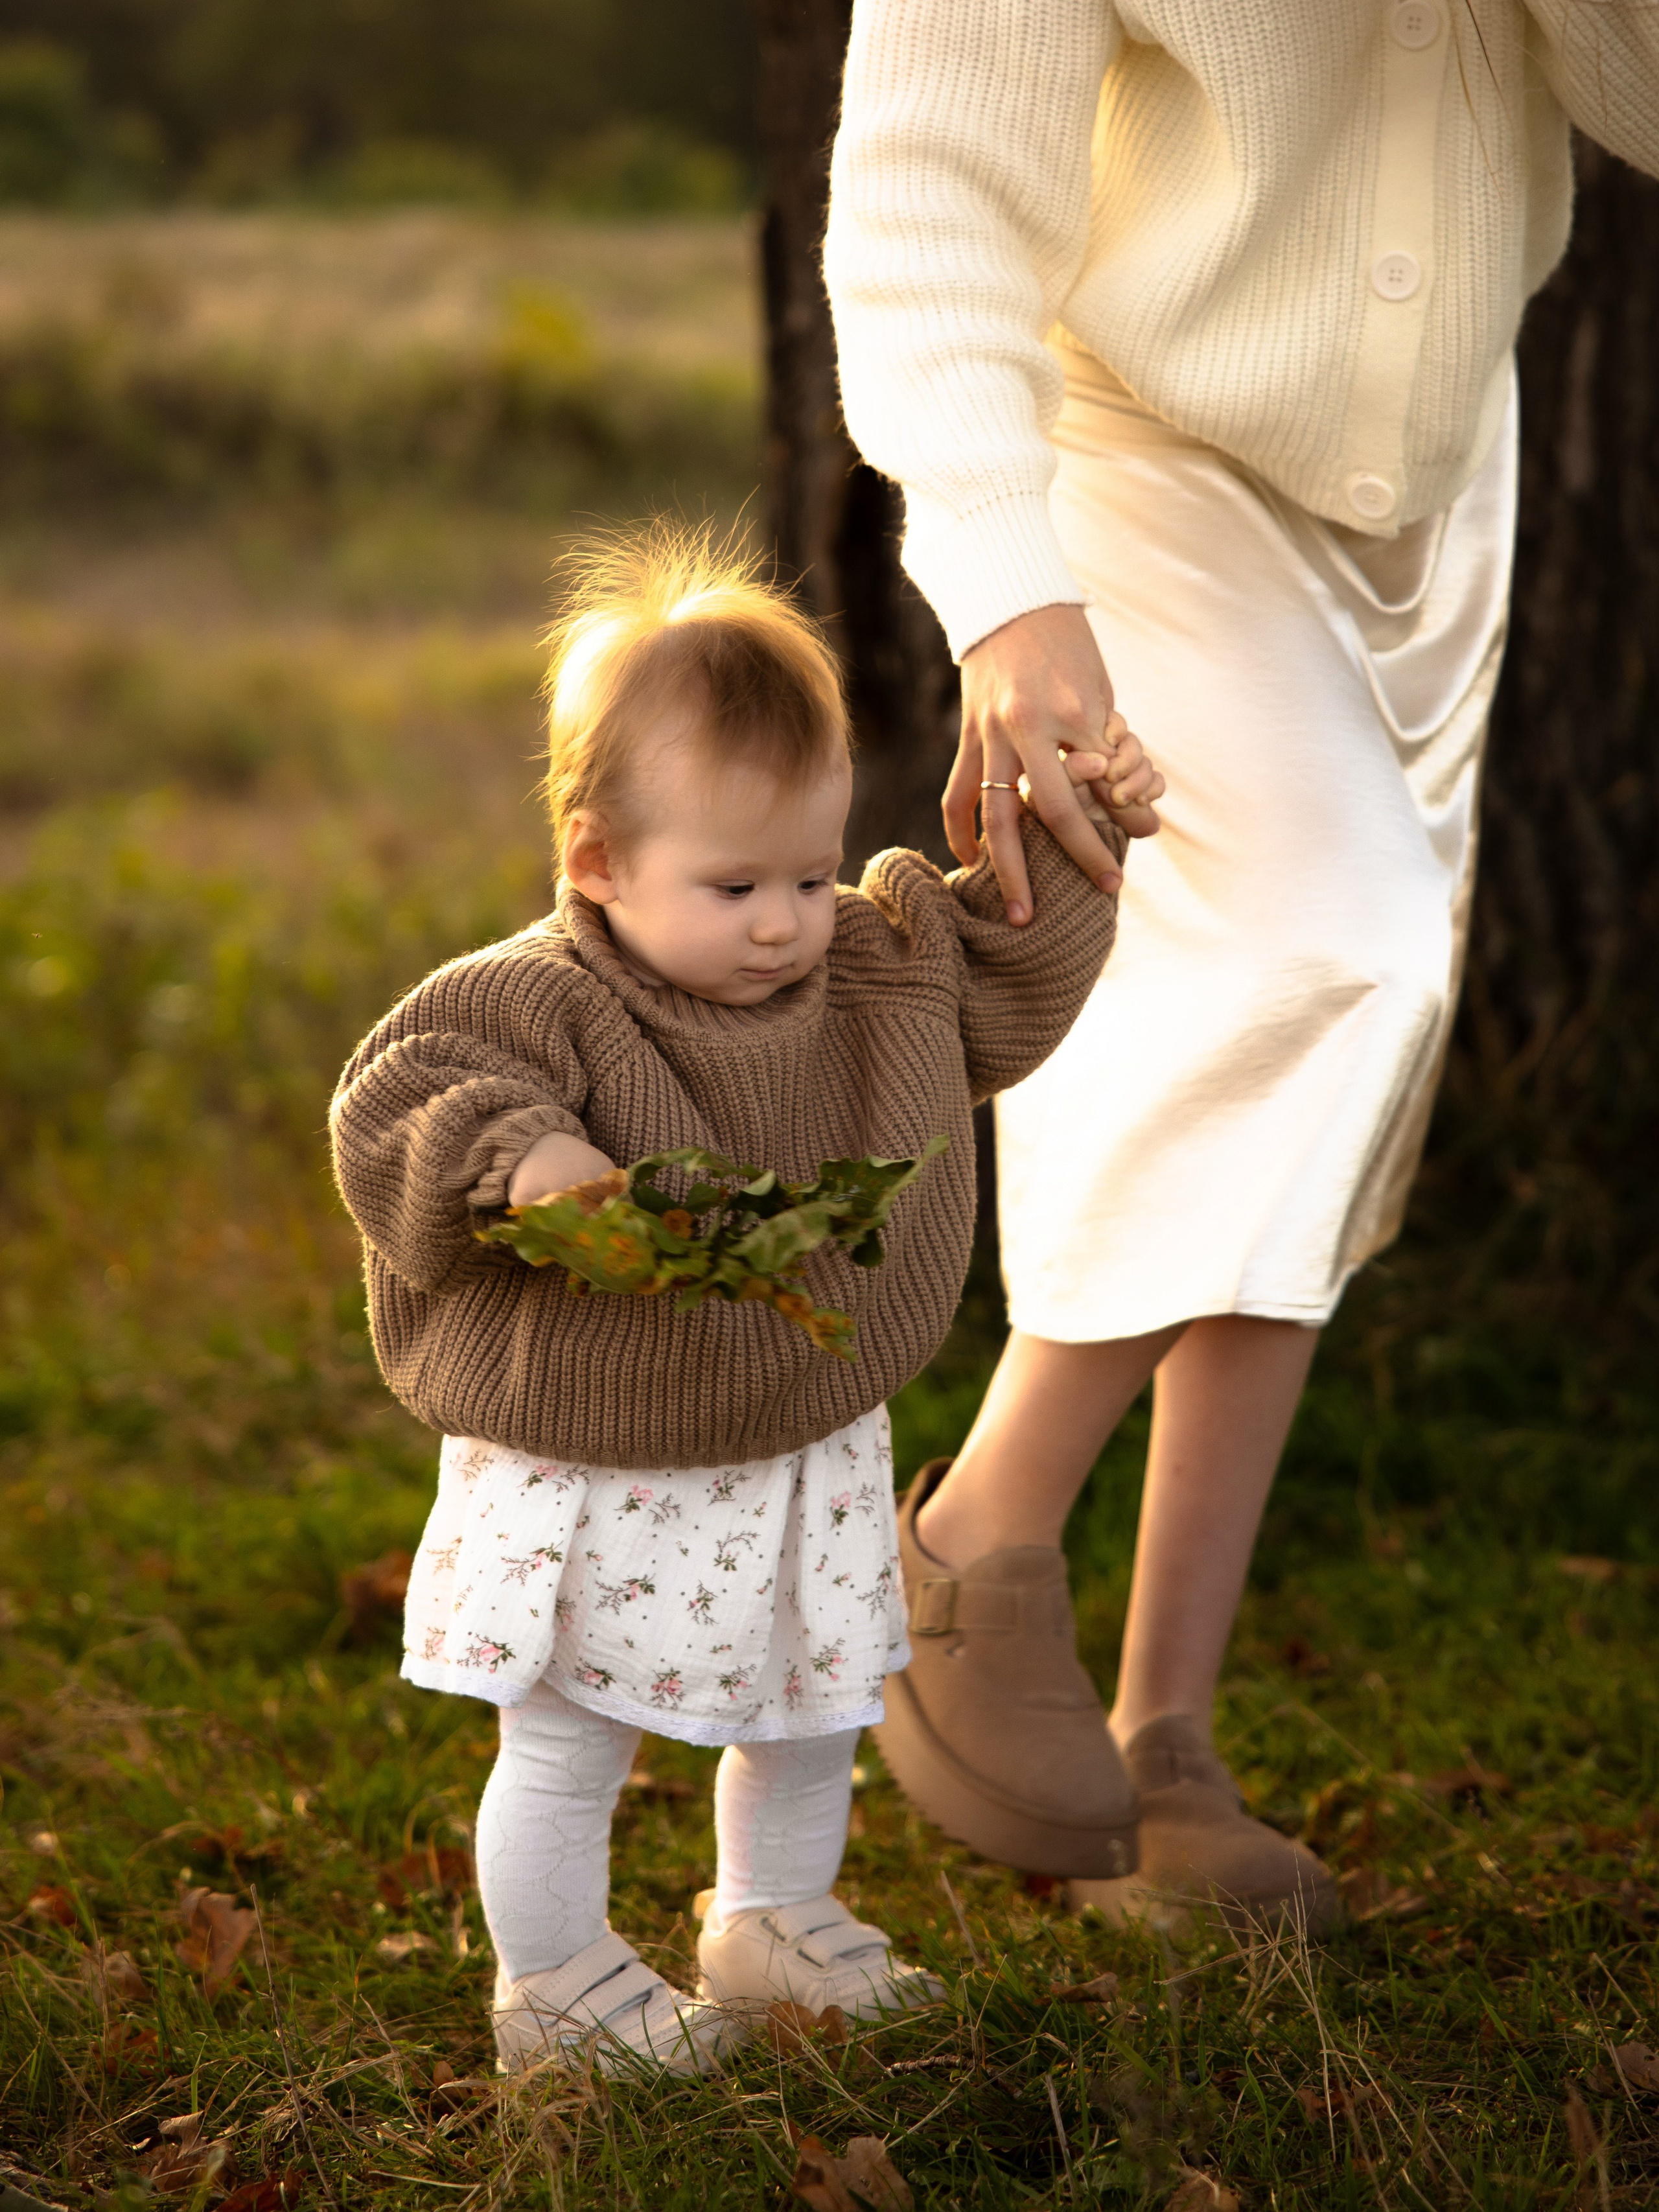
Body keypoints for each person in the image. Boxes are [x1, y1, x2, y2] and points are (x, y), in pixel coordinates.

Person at [824, 2, 1659, 1929]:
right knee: (1342, 946)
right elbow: (923, 196)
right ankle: (976, 1534)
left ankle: (1165, 1747)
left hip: (1436, 499)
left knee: (1327, 1065)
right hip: (1133, 454)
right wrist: (1011, 591)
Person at [329, 528, 1163, 2074]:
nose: (782, 919)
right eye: (731, 885)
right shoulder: (536, 997)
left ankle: (772, 1922)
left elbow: (1003, 976)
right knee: (573, 1738)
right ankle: (557, 1987)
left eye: (805, 868)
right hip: (603, 1449)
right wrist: (525, 1163)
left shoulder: (863, 966)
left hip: (795, 1435)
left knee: (811, 1704)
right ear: (594, 861)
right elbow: (401, 1097)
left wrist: (1070, 837)